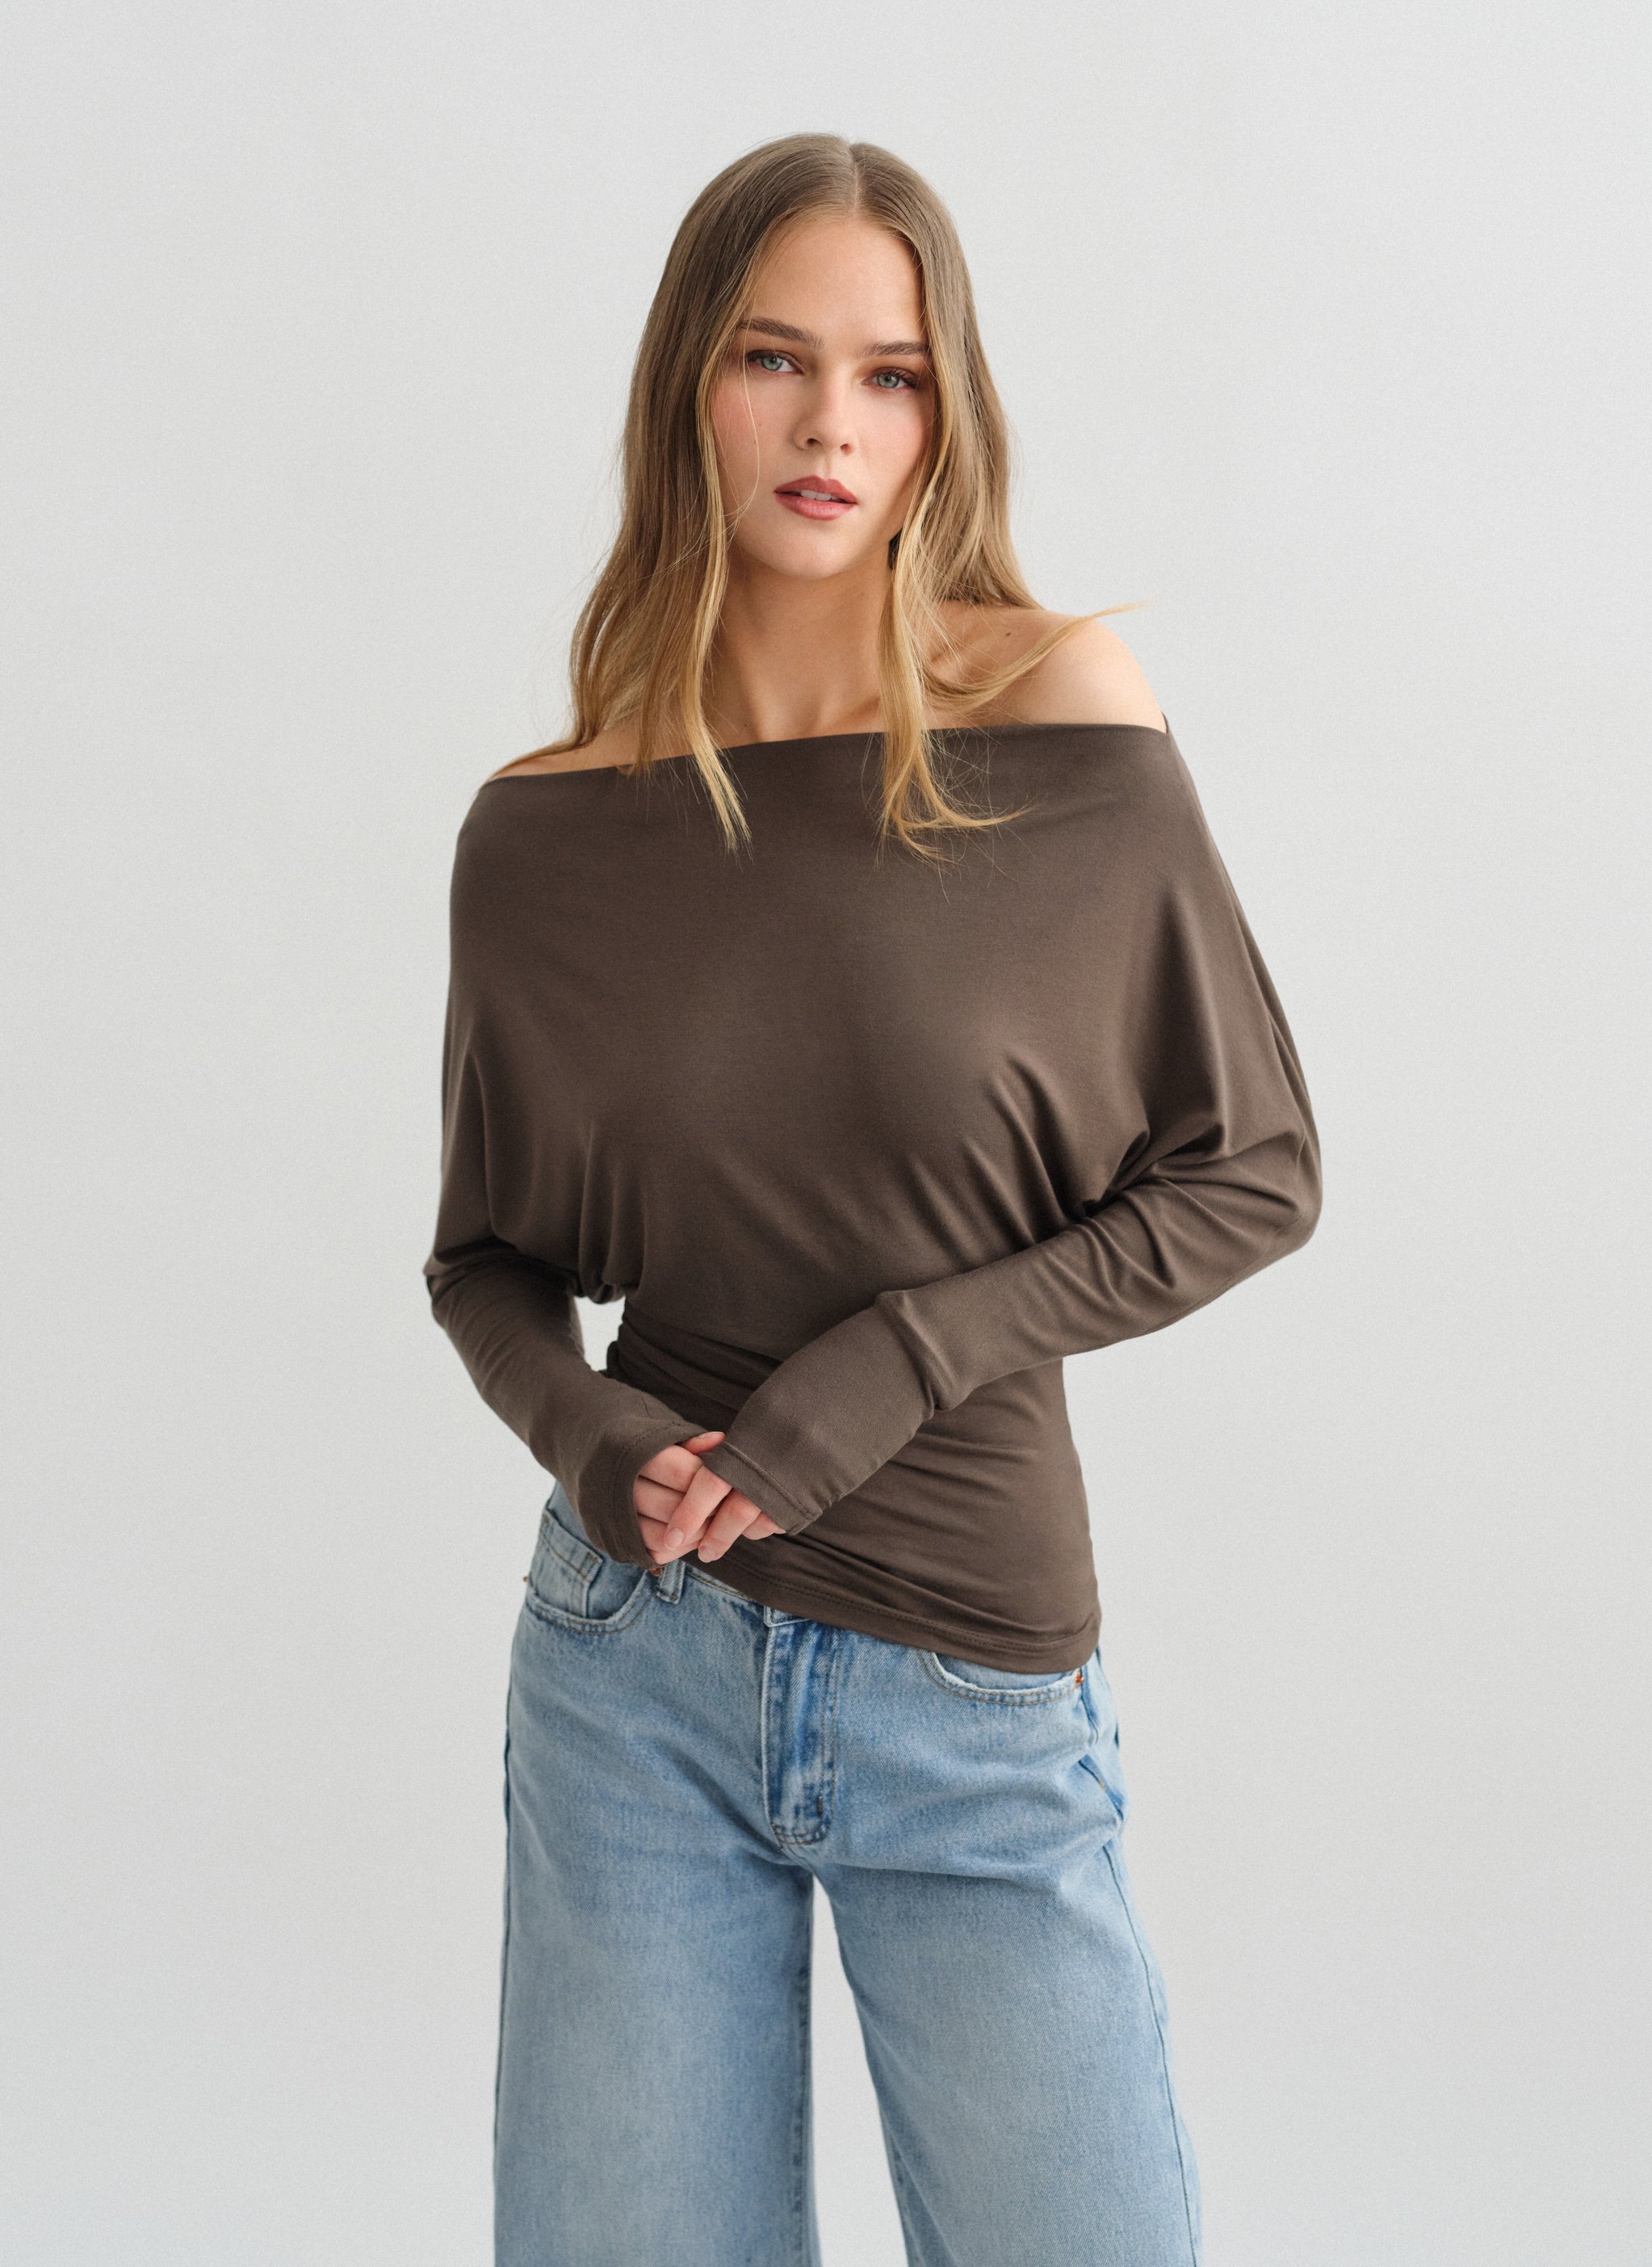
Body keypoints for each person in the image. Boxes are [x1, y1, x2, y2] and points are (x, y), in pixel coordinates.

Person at [423, 132, 1321, 2267]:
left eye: (891, 374)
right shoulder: (545, 831)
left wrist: (901, 1363)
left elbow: (1252, 1167)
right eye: (775, 359)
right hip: (633, 1667)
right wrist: (591, 1431)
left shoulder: (1062, 718)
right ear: (690, 385)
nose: (832, 424)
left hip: (971, 1682)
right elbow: (490, 1263)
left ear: (945, 412)